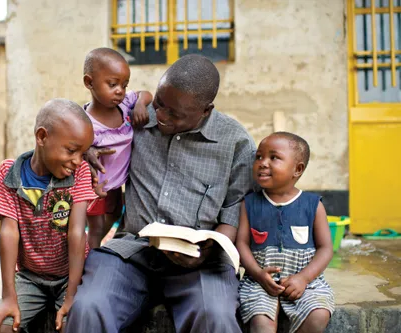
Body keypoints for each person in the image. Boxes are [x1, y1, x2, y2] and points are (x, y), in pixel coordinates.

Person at [64, 54, 256, 333]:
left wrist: (206, 252)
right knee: (89, 307)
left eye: (175, 114)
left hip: (200, 261)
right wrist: (86, 148)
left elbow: (233, 212)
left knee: (214, 316)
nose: (161, 116)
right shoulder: (135, 119)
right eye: (160, 104)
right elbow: (82, 125)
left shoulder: (236, 143)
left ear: (206, 110)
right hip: (133, 250)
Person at [0, 99, 98, 333]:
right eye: (71, 150)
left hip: (71, 276)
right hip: (29, 277)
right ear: (42, 137)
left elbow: (77, 232)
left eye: (83, 152)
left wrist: (72, 295)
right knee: (1, 327)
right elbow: (9, 232)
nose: (78, 160)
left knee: (74, 323)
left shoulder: (81, 173)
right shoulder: (8, 174)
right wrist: (8, 296)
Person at [236, 132, 335, 333]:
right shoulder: (249, 203)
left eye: (274, 157)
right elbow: (242, 244)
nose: (263, 163)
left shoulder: (312, 205)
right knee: (261, 323)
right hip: (259, 281)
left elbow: (326, 248)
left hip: (307, 282)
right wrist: (258, 274)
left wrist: (304, 278)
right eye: (259, 157)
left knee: (319, 315)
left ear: (297, 169)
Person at [82, 47, 152, 249]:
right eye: (112, 84)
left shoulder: (124, 106)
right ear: (89, 82)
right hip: (95, 185)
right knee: (94, 228)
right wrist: (87, 151)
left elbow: (146, 94)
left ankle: (95, 248)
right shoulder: (85, 123)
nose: (120, 90)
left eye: (124, 84)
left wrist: (139, 104)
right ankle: (89, 261)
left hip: (117, 183)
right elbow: (73, 146)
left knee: (114, 213)